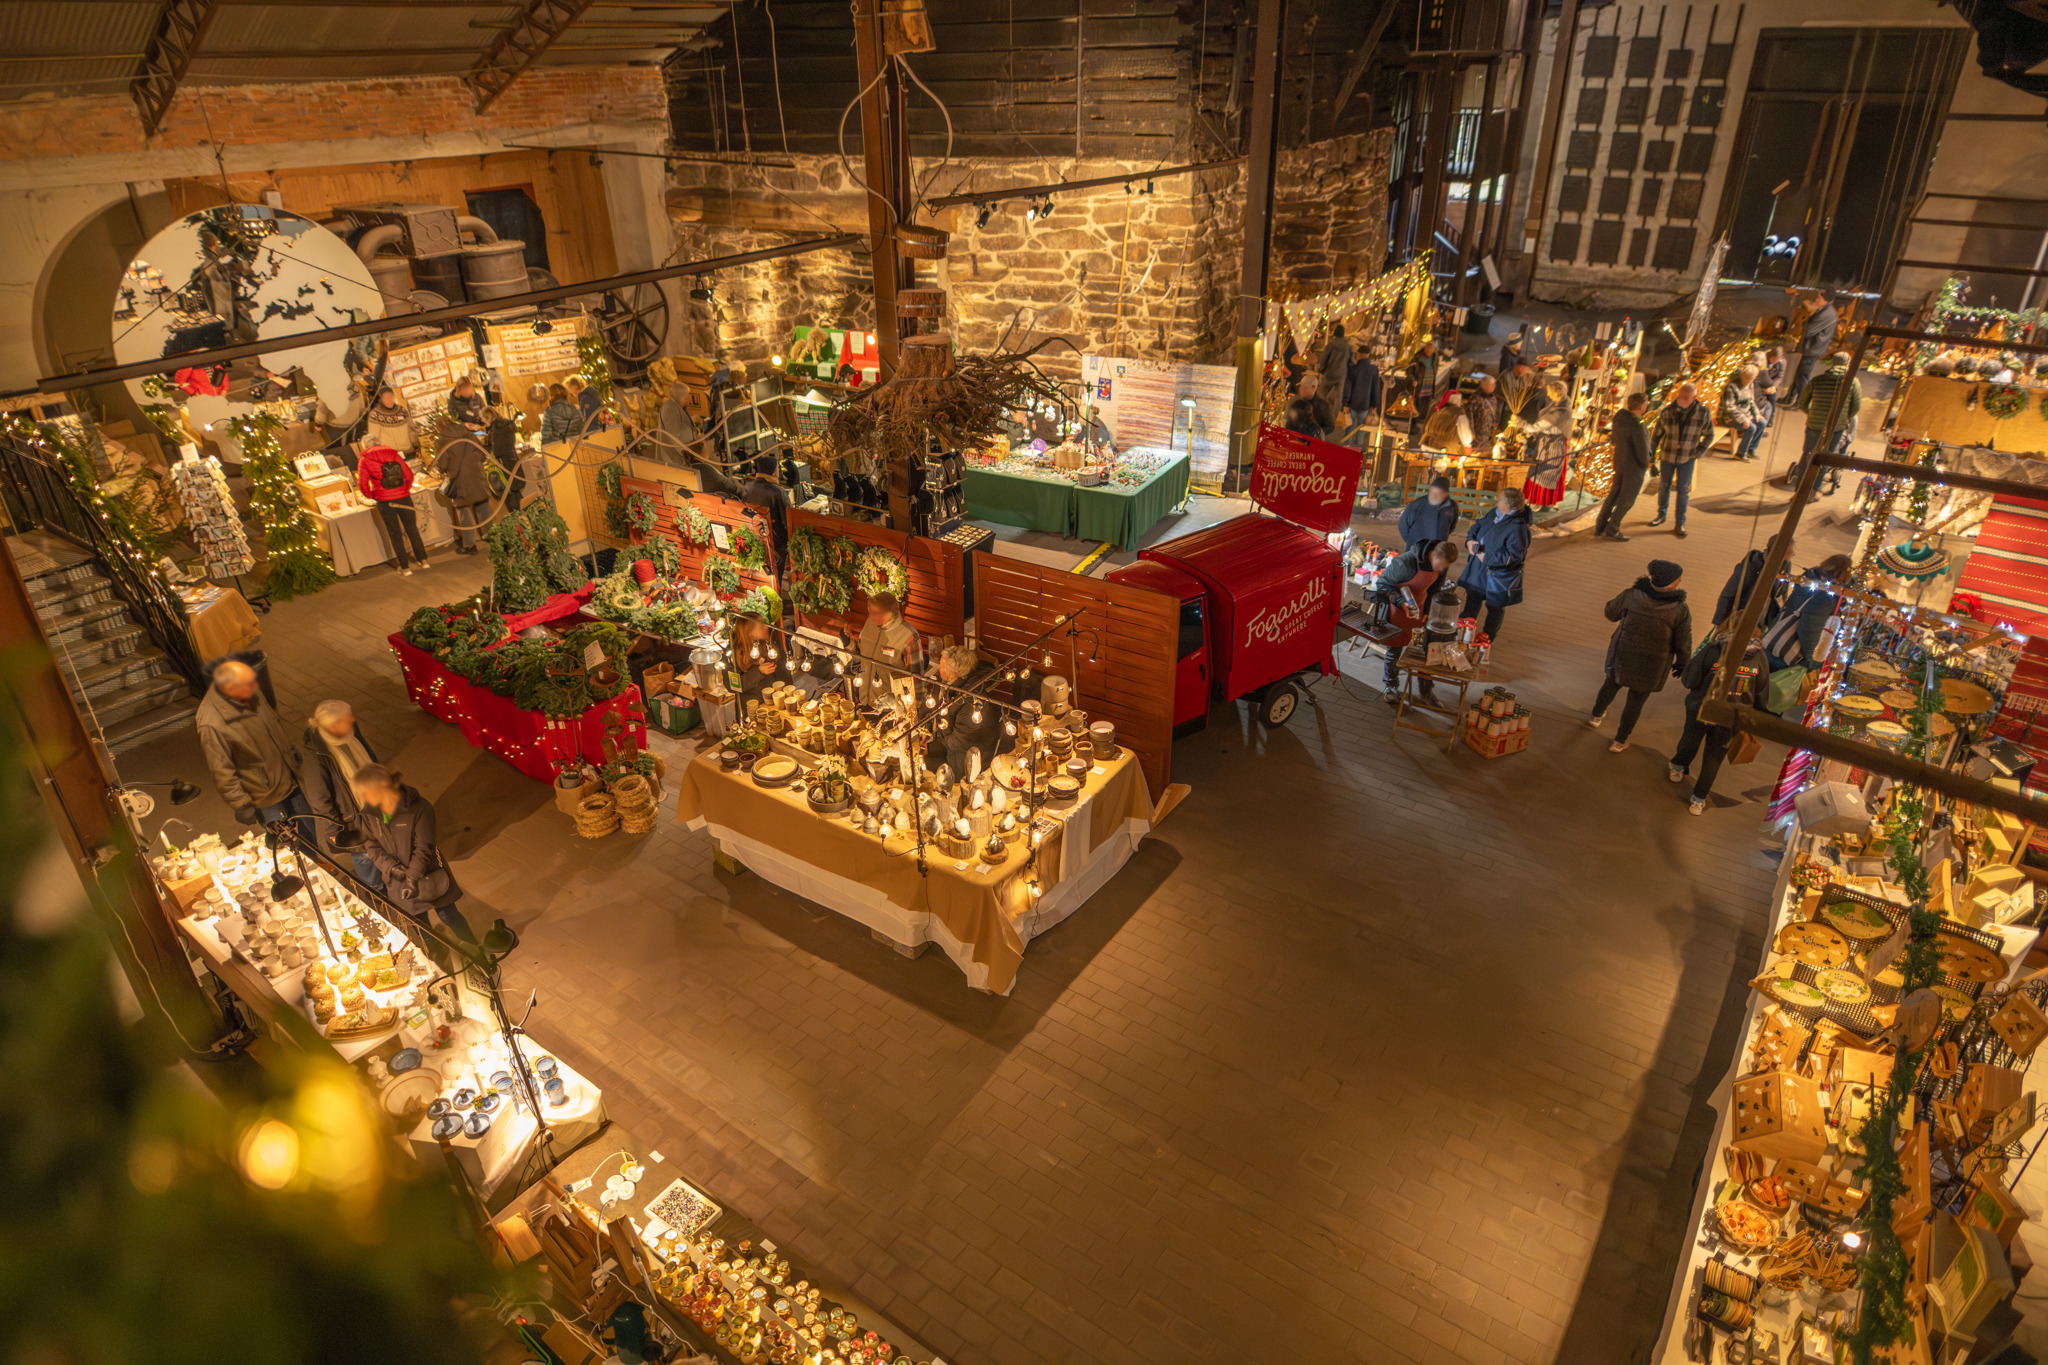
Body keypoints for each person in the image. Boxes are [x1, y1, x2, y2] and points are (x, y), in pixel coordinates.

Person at [350, 764, 475, 967]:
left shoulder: (419, 808)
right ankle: (437, 953)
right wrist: (391, 867)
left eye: (366, 792)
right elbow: (371, 846)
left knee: (447, 913)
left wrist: (412, 877)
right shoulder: (369, 813)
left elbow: (424, 848)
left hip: (427, 873)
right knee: (418, 922)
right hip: (397, 880)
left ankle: (474, 948)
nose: (363, 797)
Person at [196, 659, 310, 839]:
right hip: (265, 796)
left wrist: (290, 750)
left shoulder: (250, 690)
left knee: (310, 835)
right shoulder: (211, 721)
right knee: (290, 847)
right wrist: (241, 803)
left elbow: (274, 723)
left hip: (290, 779)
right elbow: (221, 769)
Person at [1590, 559, 1692, 753]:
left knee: (1611, 683)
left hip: (1623, 652)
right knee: (1636, 701)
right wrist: (1683, 662)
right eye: (1678, 579)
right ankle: (1619, 741)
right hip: (1654, 663)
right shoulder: (1680, 609)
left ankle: (1595, 715)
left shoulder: (1632, 595)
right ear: (1669, 583)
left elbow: (1611, 613)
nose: (1680, 581)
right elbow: (1683, 640)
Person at [1669, 631, 1771, 816]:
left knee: (1690, 741)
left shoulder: (1713, 649)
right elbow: (1762, 691)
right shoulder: (1759, 656)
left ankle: (1677, 766)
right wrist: (1754, 713)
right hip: (1733, 716)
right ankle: (1698, 799)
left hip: (1702, 708)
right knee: (1714, 757)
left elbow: (1690, 680)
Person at [298, 700, 384, 891]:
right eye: (347, 718)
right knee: (364, 854)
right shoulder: (315, 756)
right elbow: (319, 798)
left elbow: (371, 759)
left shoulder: (351, 733)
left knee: (380, 845)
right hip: (352, 817)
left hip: (374, 804)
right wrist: (333, 830)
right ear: (333, 726)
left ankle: (385, 879)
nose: (353, 719)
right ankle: (375, 890)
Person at [1377, 540, 1460, 703]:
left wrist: (1428, 611)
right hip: (1398, 609)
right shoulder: (1405, 562)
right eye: (1440, 565)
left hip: (1421, 609)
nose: (1442, 569)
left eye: (1445, 567)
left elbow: (1434, 589)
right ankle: (1391, 685)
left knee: (1427, 650)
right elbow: (1382, 585)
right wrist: (1402, 602)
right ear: (1433, 554)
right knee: (1395, 649)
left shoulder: (1441, 564)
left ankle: (1426, 691)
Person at [1457, 487, 1531, 641]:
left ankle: (1487, 639)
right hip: (1478, 571)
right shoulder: (1494, 513)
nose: (1496, 500)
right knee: (1471, 602)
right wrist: (1470, 540)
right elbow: (1477, 526)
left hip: (1496, 578)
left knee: (1495, 608)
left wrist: (1487, 557)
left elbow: (1514, 556)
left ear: (1509, 504)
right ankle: (1462, 634)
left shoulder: (1519, 528)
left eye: (1500, 499)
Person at [926, 644, 1006, 777]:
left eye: (940, 664)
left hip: (964, 761)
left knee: (922, 766)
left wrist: (930, 748)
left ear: (952, 673)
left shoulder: (971, 704)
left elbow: (959, 743)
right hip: (947, 745)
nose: (938, 667)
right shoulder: (948, 685)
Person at [1647, 382, 1714, 537]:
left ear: (1694, 397)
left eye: (1686, 396)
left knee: (1683, 490)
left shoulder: (1703, 413)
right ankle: (1661, 515)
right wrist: (1651, 456)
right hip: (1667, 456)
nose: (1682, 398)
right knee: (1664, 485)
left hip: (1687, 457)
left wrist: (1699, 452)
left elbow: (1709, 434)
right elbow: (1656, 435)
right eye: (1680, 395)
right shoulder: (1668, 411)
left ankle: (1680, 523)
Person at [1762, 554, 1852, 671]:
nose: (1839, 584)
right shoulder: (1824, 596)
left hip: (1775, 638)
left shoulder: (1808, 579)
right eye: (1839, 580)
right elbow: (1809, 630)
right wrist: (1811, 662)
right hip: (1790, 654)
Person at [1791, 352, 1862, 494]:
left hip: (1814, 423)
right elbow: (1856, 407)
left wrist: (1812, 413)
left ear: (1832, 363)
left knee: (1808, 453)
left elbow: (1803, 402)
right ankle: (1814, 489)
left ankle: (1799, 487)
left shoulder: (1817, 380)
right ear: (1848, 364)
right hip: (1836, 427)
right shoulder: (1853, 382)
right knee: (1825, 456)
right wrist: (1845, 417)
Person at [356, 443, 428, 576]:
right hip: (404, 497)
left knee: (395, 533)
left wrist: (372, 495)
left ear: (365, 445)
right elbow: (409, 474)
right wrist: (404, 489)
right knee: (412, 528)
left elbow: (362, 483)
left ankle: (405, 568)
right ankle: (423, 560)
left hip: (384, 501)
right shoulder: (393, 454)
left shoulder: (364, 460)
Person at [1594, 394, 1652, 541]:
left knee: (1614, 494)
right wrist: (1647, 462)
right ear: (1641, 406)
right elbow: (1642, 449)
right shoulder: (1637, 425)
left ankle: (1600, 524)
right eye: (1646, 404)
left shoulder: (1619, 420)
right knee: (1627, 499)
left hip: (1620, 461)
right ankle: (1613, 527)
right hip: (1634, 466)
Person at [1712, 533, 1795, 629]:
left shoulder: (1785, 565)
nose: (1793, 555)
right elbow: (1728, 593)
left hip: (1761, 623)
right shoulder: (1753, 564)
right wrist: (1718, 623)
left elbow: (1782, 594)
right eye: (1790, 552)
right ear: (1779, 552)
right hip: (1740, 620)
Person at [433, 423, 491, 556]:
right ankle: (491, 536)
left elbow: (442, 465)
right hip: (477, 474)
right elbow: (482, 455)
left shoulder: (441, 441)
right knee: (483, 506)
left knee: (464, 511)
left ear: (439, 428)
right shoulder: (468, 434)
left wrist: (440, 468)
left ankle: (470, 545)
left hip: (459, 479)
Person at [857, 590, 922, 704]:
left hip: (890, 707)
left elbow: (917, 678)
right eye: (869, 610)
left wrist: (915, 704)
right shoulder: (869, 623)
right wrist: (848, 643)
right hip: (865, 700)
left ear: (890, 613)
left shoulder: (909, 636)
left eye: (875, 612)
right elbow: (860, 654)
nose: (870, 615)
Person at [1522, 381, 1574, 507]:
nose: (1548, 394)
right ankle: (1533, 498)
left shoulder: (1561, 411)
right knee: (1538, 469)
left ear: (1556, 392)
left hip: (1553, 446)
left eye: (1550, 391)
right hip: (1546, 442)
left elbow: (1542, 426)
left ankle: (1538, 501)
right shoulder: (1557, 404)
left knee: (1545, 472)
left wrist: (1521, 424)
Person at [740, 454, 790, 569]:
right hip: (774, 543)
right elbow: (787, 520)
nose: (778, 471)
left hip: (752, 536)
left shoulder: (748, 486)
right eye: (777, 469)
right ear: (773, 472)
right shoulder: (778, 491)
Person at [1788, 291, 1839, 402]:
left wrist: (1810, 311)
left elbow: (1809, 330)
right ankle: (1790, 397)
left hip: (1813, 349)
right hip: (1812, 348)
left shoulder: (1827, 313)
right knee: (1800, 374)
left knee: (1803, 376)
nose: (1816, 300)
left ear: (1826, 300)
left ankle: (1801, 401)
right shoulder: (1824, 310)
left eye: (1819, 298)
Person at [733, 615, 792, 708]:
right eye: (761, 626)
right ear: (749, 632)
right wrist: (759, 672)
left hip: (779, 701)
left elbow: (784, 672)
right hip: (755, 707)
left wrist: (789, 695)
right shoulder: (734, 654)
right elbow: (734, 686)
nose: (766, 627)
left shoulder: (771, 641)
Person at [1398, 475, 1459, 555]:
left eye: (1438, 493)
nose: (1433, 496)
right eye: (1432, 492)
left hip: (1436, 553)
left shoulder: (1452, 507)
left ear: (1445, 494)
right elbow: (1403, 525)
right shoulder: (1418, 504)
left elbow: (1451, 527)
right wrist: (1412, 542)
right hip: (1415, 551)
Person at [1720, 366, 1764, 462]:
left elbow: (1751, 401)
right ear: (1742, 376)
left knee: (1761, 423)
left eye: (1751, 378)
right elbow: (1729, 407)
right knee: (1751, 428)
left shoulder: (1750, 384)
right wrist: (1743, 419)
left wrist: (1756, 413)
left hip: (1746, 414)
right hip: (1730, 417)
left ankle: (1750, 449)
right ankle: (1740, 454)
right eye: (1747, 378)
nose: (1749, 381)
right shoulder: (1731, 387)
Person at [364, 385, 414, 452]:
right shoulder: (375, 415)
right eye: (386, 397)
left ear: (394, 396)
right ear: (380, 399)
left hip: (407, 450)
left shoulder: (402, 410)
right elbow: (374, 437)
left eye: (390, 396)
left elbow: (411, 429)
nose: (389, 399)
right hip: (388, 453)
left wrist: (415, 445)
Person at [1464, 373, 1505, 454]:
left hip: (1489, 435)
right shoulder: (1475, 398)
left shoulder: (1493, 398)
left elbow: (1494, 414)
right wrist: (1471, 432)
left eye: (1494, 385)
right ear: (1484, 385)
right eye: (1491, 385)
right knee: (1475, 454)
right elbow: (1469, 416)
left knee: (1487, 454)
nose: (1493, 387)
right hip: (1477, 434)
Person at [1319, 324, 1352, 414]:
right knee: (1338, 398)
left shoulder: (1330, 345)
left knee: (1322, 394)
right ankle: (1334, 417)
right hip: (1341, 374)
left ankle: (1319, 413)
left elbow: (1323, 359)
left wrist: (1322, 369)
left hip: (1329, 372)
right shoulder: (1348, 347)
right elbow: (1350, 361)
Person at [1346, 341, 1382, 421]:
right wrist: (1374, 405)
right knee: (1361, 428)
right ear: (1368, 356)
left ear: (1359, 355)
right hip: (1365, 404)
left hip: (1352, 404)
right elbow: (1375, 389)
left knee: (1349, 428)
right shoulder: (1373, 370)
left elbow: (1347, 387)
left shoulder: (1353, 369)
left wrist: (1345, 403)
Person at [1406, 339, 1441, 415]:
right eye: (1427, 348)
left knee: (1426, 403)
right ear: (1424, 348)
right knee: (1416, 404)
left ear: (1434, 350)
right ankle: (1414, 421)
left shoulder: (1435, 358)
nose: (1428, 350)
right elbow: (1409, 370)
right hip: (1419, 385)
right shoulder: (1417, 358)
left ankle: (1422, 418)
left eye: (1431, 348)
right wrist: (1413, 380)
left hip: (1428, 385)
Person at [1756, 348, 1785, 428]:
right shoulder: (1763, 361)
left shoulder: (1781, 363)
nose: (1774, 361)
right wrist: (1764, 388)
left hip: (1771, 383)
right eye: (1773, 359)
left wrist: (1773, 387)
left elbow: (1780, 376)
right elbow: (1760, 376)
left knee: (1772, 396)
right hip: (1762, 382)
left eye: (1776, 359)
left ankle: (1770, 418)